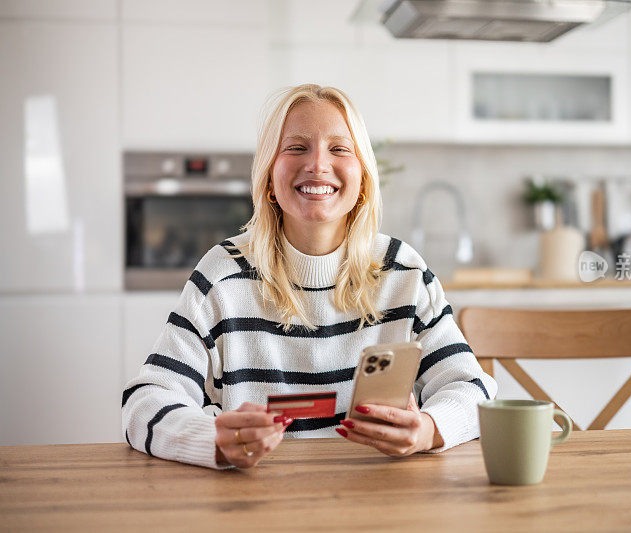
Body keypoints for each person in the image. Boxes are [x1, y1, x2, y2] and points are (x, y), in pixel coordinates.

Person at [121, 84, 497, 469]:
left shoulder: (404, 272)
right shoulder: (223, 275)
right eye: (297, 147)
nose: (318, 164)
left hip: (379, 502)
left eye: (339, 148)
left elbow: (473, 388)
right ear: (269, 178)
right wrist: (212, 440)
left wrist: (428, 429)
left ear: (364, 181)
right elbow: (145, 402)